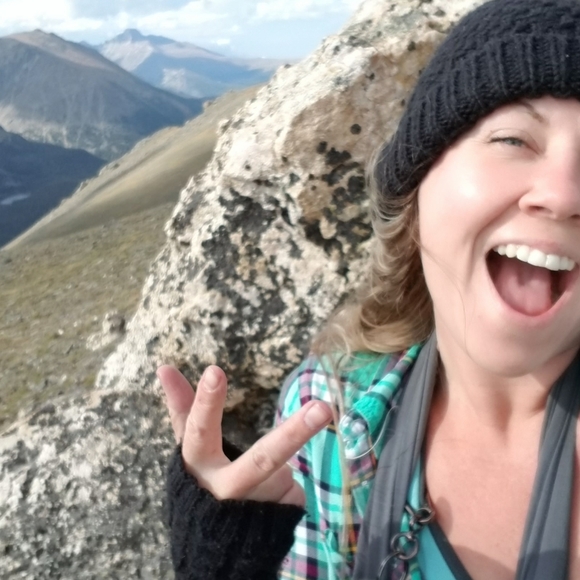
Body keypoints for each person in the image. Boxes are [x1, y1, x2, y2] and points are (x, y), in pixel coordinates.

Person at [157, 0, 580, 578]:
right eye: (514, 140)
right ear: (416, 189)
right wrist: (230, 559)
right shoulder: (330, 414)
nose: (563, 195)